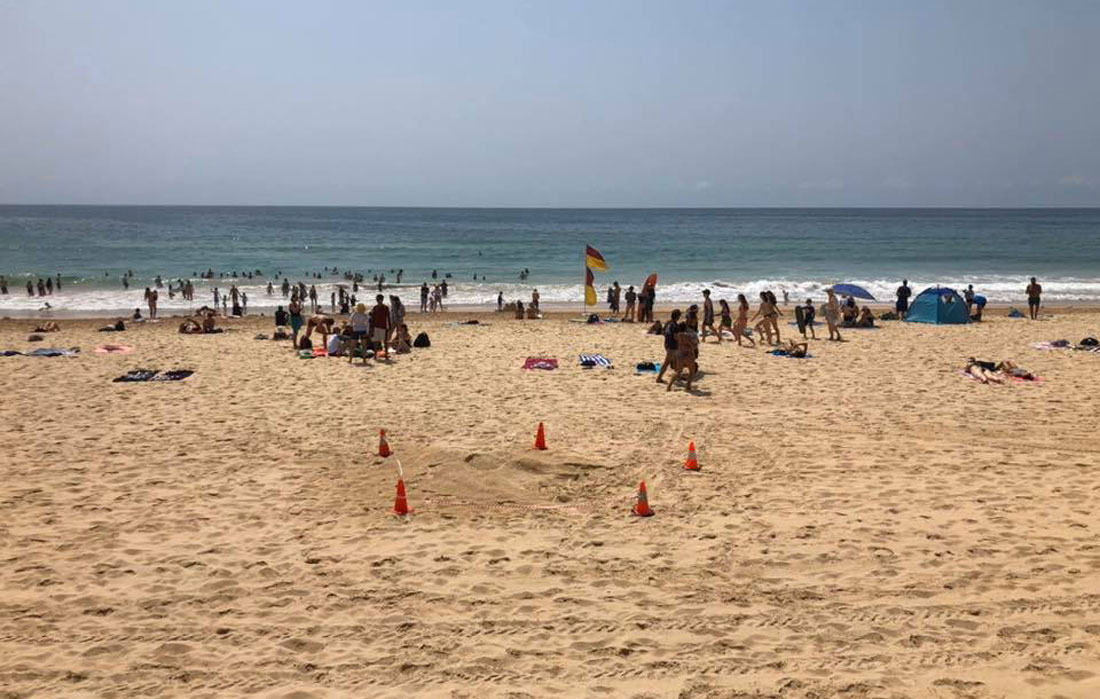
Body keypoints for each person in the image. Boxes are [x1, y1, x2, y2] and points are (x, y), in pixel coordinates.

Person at [667, 322, 699, 392]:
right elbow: (692, 344)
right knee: (691, 371)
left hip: (680, 355)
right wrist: (695, 345)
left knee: (678, 371)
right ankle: (688, 386)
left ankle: (669, 386)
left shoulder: (677, 336)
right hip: (688, 354)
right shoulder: (687, 336)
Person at [656, 310, 682, 385]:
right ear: (677, 316)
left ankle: (678, 376)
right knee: (667, 362)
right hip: (672, 346)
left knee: (675, 361)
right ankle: (659, 378)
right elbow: (676, 337)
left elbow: (663, 332)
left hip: (667, 344)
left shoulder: (668, 323)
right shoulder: (675, 325)